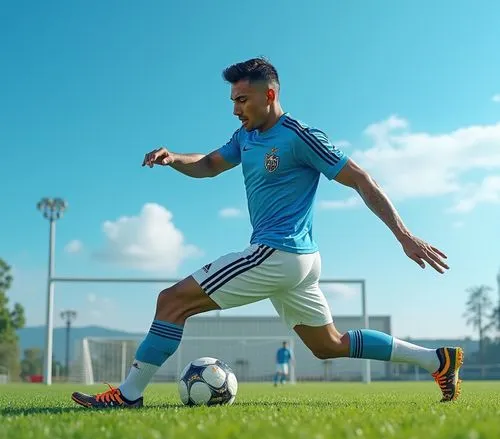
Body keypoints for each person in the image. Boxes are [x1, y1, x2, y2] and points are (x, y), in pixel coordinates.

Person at [71, 57, 463, 409]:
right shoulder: (247, 138)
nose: (235, 109)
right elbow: (208, 164)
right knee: (329, 345)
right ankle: (436, 360)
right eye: (232, 101)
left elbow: (361, 179)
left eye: (242, 100)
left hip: (278, 253)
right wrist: (174, 158)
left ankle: (128, 395)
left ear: (269, 94)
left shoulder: (300, 135)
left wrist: (404, 234)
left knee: (172, 301)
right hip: (297, 262)